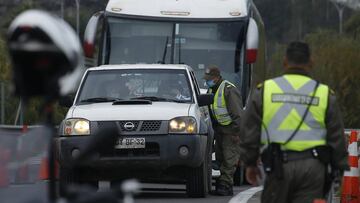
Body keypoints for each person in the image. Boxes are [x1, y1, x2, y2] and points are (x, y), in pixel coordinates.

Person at [240, 41, 349, 203]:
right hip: (313, 169)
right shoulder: (324, 94)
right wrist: (339, 169)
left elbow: (250, 130)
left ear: (285, 62)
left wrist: (250, 163)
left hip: (279, 168)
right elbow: (336, 137)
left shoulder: (265, 90)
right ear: (311, 62)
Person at [203, 65, 243, 196]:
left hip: (231, 131)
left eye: (209, 78)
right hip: (220, 131)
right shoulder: (211, 89)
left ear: (216, 77)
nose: (207, 81)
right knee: (221, 159)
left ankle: (225, 185)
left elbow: (237, 113)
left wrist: (237, 132)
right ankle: (224, 185)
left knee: (229, 159)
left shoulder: (228, 89)